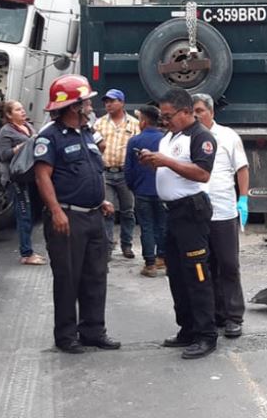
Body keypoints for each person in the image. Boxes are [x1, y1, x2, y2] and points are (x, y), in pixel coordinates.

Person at [33, 74, 121, 354]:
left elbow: (93, 171)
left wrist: (103, 200)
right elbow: (42, 177)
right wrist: (56, 211)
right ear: (73, 106)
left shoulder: (88, 134)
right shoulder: (49, 137)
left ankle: (94, 331)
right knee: (68, 278)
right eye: (86, 102)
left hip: (95, 215)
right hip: (67, 218)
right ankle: (67, 336)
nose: (90, 106)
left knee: (96, 275)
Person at [139, 88, 218, 359]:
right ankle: (187, 329)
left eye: (169, 115)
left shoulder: (201, 137)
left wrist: (166, 162)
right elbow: (169, 168)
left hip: (191, 212)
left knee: (197, 273)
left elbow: (202, 173)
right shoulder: (169, 136)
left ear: (186, 112)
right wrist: (154, 162)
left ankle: (206, 334)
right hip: (170, 212)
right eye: (163, 116)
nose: (165, 120)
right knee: (176, 273)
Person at [192, 93, 249, 338]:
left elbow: (242, 169)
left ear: (211, 112)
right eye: (192, 112)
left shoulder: (227, 136)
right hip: (196, 214)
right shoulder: (187, 138)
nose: (196, 116)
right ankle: (215, 313)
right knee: (204, 266)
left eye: (200, 111)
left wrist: (243, 199)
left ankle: (234, 316)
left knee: (228, 265)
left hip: (223, 212)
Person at [0, 100, 45, 266]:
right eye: (18, 110)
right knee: (24, 214)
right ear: (9, 115)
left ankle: (28, 249)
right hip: (18, 178)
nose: (23, 112)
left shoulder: (29, 127)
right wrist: (26, 144)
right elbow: (4, 155)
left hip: (32, 175)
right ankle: (26, 254)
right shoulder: (6, 132)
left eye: (23, 108)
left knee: (34, 214)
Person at [94, 88, 140, 259]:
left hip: (125, 173)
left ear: (122, 103)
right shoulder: (99, 124)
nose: (108, 104)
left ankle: (126, 245)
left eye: (112, 101)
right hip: (105, 172)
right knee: (107, 211)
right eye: (106, 102)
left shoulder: (134, 124)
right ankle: (107, 246)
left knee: (128, 211)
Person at [124, 105, 167, 278]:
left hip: (142, 191)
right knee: (162, 225)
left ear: (143, 121)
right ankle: (162, 257)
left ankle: (149, 264)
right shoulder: (165, 139)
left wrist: (133, 186)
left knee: (147, 227)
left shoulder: (134, 141)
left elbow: (128, 169)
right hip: (163, 191)